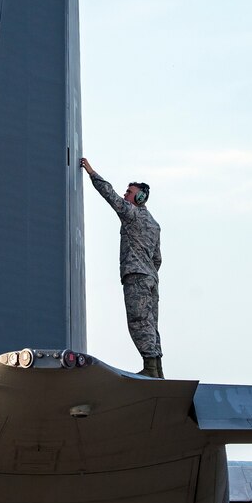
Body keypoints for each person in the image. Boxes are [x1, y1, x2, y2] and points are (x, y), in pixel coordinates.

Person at [79, 157, 164, 378]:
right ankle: (158, 369)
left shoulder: (132, 214)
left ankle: (151, 369)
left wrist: (91, 173)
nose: (126, 194)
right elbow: (157, 259)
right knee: (151, 324)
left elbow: (111, 196)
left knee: (138, 321)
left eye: (130, 191)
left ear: (140, 197)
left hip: (136, 276)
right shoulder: (154, 225)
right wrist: (149, 272)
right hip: (151, 279)